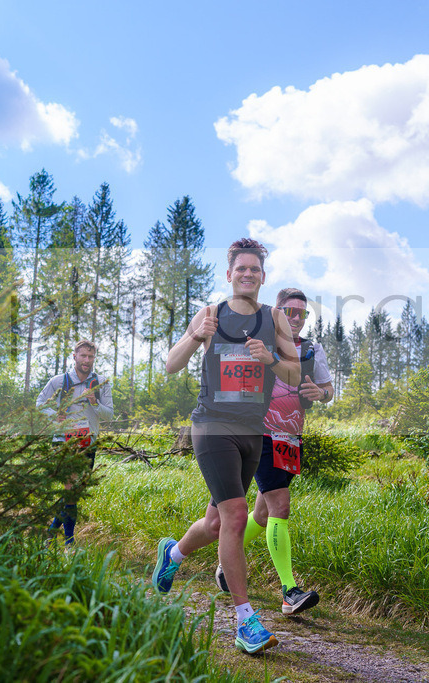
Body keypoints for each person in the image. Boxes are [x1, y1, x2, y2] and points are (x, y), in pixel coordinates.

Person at [150, 238, 299, 655]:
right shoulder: (211, 314)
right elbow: (170, 362)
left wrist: (269, 359)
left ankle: (173, 554)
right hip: (212, 425)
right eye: (241, 268)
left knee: (216, 523)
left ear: (263, 277)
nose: (248, 274)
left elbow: (292, 371)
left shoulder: (275, 319)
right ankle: (245, 621)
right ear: (230, 274)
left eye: (255, 269)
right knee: (235, 516)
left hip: (253, 431)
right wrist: (197, 336)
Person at [214, 287, 333, 616]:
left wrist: (319, 393)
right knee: (280, 506)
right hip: (259, 433)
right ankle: (289, 592)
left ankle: (226, 564)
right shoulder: (256, 342)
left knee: (264, 514)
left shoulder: (311, 349)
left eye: (301, 314)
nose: (295, 318)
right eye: (289, 311)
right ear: (276, 312)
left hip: (291, 438)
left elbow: (328, 389)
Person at [35, 340, 114, 545]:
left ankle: (51, 532)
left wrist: (95, 402)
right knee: (70, 488)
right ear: (74, 356)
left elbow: (109, 415)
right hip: (65, 440)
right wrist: (55, 415)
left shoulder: (102, 382)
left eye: (90, 356)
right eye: (83, 356)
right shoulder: (59, 381)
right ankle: (69, 542)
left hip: (89, 441)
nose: (87, 360)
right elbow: (40, 403)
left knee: (74, 492)